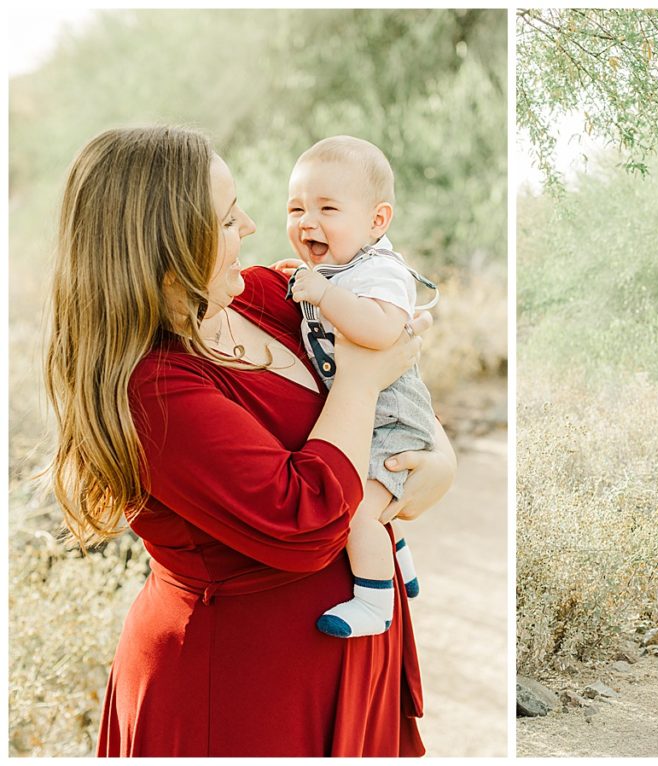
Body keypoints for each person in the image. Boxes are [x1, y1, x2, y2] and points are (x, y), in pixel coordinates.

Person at [43, 126, 456, 756]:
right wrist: (363, 379)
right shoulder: (151, 390)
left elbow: (395, 371)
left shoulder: (261, 295)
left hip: (346, 661)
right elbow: (306, 517)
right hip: (243, 690)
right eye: (229, 216)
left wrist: (439, 462)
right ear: (170, 240)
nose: (255, 226)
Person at [282, 135, 437, 639]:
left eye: (328, 208)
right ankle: (397, 556)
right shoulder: (333, 268)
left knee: (356, 513)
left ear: (377, 221)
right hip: (366, 413)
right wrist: (312, 282)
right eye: (297, 208)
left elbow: (381, 333)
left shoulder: (382, 272)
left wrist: (323, 293)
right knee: (367, 496)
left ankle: (375, 604)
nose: (308, 221)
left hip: (393, 416)